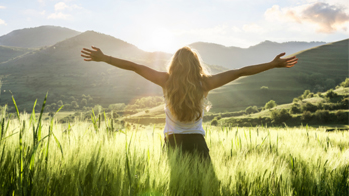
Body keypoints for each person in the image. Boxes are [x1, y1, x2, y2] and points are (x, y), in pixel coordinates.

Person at [80, 46, 298, 161]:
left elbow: (136, 67)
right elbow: (240, 72)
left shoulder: (165, 81)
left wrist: (105, 58)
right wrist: (271, 65)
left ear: (174, 64)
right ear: (196, 65)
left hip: (172, 143)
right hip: (197, 143)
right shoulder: (206, 83)